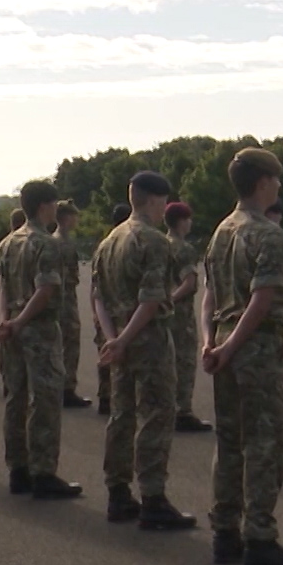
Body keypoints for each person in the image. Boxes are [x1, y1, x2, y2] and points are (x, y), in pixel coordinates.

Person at [200, 149, 283, 565]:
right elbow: (262, 300)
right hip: (255, 349)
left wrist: (210, 341)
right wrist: (230, 347)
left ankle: (224, 530)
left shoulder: (221, 232)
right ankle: (260, 537)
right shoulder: (267, 234)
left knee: (230, 441)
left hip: (225, 344)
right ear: (263, 181)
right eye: (277, 180)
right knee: (268, 442)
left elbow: (210, 294)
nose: (279, 187)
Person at [93, 172, 196, 531]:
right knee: (156, 414)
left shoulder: (109, 240)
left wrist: (113, 338)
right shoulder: (152, 240)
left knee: (121, 415)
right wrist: (124, 339)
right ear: (155, 201)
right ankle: (153, 497)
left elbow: (98, 298)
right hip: (147, 338)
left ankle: (118, 492)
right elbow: (152, 298)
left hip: (120, 336)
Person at [0, 180, 82, 499]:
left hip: (14, 326)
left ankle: (18, 468)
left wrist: (8, 320)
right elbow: (45, 291)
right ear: (45, 206)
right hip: (38, 328)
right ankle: (43, 471)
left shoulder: (7, 243)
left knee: (15, 398)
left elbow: (3, 286)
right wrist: (20, 321)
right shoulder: (45, 243)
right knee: (44, 400)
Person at [166, 202, 211, 433]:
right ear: (181, 221)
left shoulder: (159, 245)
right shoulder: (183, 249)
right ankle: (182, 411)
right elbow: (189, 283)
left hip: (158, 316)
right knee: (184, 362)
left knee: (165, 363)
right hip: (179, 316)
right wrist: (170, 300)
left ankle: (166, 408)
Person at [92, 203, 131, 416]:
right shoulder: (133, 242)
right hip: (126, 314)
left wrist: (94, 312)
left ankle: (105, 397)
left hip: (105, 312)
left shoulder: (103, 246)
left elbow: (94, 287)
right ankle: (114, 399)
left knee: (105, 353)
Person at [53, 201, 91, 408]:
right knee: (69, 343)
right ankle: (66, 387)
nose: (77, 220)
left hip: (61, 298)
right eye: (74, 216)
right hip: (65, 300)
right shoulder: (63, 243)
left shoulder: (54, 241)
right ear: (67, 218)